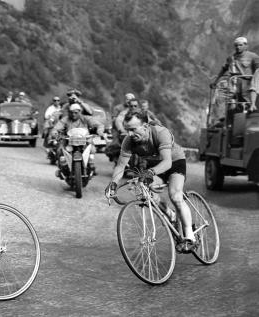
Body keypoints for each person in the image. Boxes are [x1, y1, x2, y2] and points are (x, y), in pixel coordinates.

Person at [105, 110, 195, 253]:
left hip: (174, 161)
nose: (129, 134)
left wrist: (150, 173)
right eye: (127, 130)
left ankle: (190, 236)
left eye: (133, 130)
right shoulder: (129, 141)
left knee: (175, 196)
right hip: (153, 165)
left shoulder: (160, 133)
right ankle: (170, 214)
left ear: (145, 126)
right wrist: (113, 184)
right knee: (143, 190)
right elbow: (121, 166)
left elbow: (167, 163)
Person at [51, 103, 105, 173]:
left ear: (80, 112)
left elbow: (99, 125)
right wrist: (55, 135)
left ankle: (90, 164)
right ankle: (62, 166)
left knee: (92, 150)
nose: (73, 114)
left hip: (85, 140)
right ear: (69, 113)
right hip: (69, 140)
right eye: (72, 112)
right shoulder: (65, 119)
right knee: (60, 150)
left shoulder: (86, 118)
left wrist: (100, 131)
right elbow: (56, 128)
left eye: (76, 112)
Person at [210, 37, 259, 104]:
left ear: (246, 46)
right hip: (233, 86)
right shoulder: (231, 58)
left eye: (240, 45)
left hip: (248, 86)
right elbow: (224, 69)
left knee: (249, 104)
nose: (238, 47)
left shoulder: (253, 56)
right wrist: (215, 82)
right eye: (236, 45)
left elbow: (258, 71)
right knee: (231, 105)